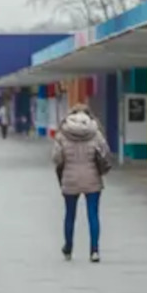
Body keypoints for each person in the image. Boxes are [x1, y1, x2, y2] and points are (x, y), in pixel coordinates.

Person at [52, 103, 112, 263]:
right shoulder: (95, 132)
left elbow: (57, 158)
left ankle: (68, 248)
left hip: (70, 179)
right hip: (92, 178)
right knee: (93, 215)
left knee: (70, 215)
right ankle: (94, 251)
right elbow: (105, 153)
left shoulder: (62, 133)